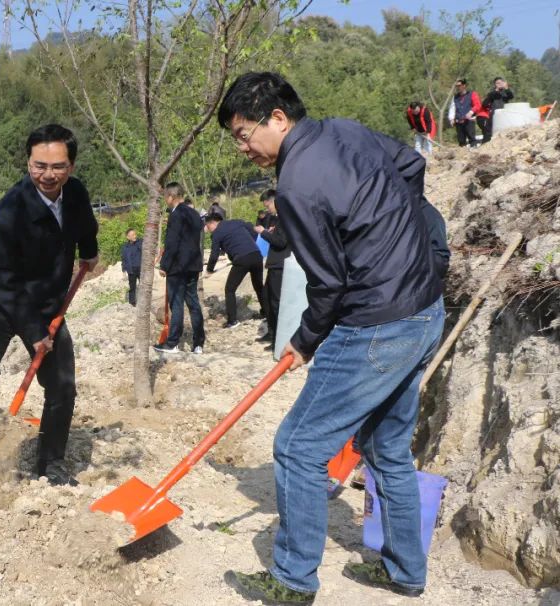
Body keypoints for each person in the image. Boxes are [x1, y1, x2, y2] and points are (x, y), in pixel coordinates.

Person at [217, 72, 445, 604]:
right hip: (424, 310)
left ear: (278, 118)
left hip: (374, 325)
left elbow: (328, 283)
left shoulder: (295, 183)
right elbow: (412, 164)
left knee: (297, 447)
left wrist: (304, 340)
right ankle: (405, 572)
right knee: (386, 446)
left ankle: (293, 582)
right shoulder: (347, 131)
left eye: (244, 133)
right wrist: (404, 237)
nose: (243, 147)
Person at [0, 124, 98, 486]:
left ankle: (51, 462)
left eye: (58, 166)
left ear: (70, 166)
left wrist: (90, 252)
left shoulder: (76, 194)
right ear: (28, 163)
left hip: (48, 301)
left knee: (63, 385)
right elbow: (2, 276)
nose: (48, 175)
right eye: (40, 166)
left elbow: (86, 226)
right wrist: (35, 332)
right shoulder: (10, 210)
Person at [154, 182, 205, 355]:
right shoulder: (194, 214)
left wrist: (164, 265)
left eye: (165, 197)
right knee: (194, 304)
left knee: (176, 304)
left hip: (178, 267)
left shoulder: (176, 215)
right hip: (193, 265)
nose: (165, 201)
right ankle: (198, 343)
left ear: (170, 197)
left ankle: (173, 343)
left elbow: (172, 243)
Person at [205, 214, 265, 328]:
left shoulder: (217, 233)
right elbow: (253, 231)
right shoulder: (237, 222)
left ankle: (232, 321)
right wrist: (248, 245)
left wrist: (209, 270)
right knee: (259, 286)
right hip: (256, 255)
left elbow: (214, 254)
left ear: (212, 223)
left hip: (242, 259)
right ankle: (266, 313)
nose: (209, 230)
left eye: (208, 227)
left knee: (230, 289)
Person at [253, 189, 289, 345]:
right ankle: (272, 334)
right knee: (267, 300)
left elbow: (281, 242)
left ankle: (279, 340)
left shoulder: (285, 219)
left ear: (275, 201)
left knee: (276, 303)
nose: (267, 209)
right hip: (274, 264)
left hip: (280, 265)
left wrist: (264, 233)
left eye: (268, 206)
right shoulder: (278, 220)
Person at [449, 79, 485, 147]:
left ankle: (473, 153)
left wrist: (471, 112)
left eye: (459, 85)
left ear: (464, 85)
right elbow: (452, 108)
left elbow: (478, 105)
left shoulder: (472, 94)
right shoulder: (455, 97)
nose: (458, 87)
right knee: (461, 141)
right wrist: (451, 118)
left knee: (472, 139)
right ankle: (462, 155)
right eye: (456, 86)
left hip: (469, 121)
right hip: (458, 121)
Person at [480, 77, 513, 144]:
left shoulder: (505, 91)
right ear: (495, 84)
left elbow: (511, 96)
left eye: (500, 83)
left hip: (504, 114)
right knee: (489, 132)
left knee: (504, 131)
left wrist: (506, 87)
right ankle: (485, 144)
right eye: (497, 83)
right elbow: (485, 103)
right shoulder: (492, 92)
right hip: (493, 114)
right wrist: (496, 90)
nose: (499, 84)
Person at [120, 228, 143, 306]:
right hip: (131, 270)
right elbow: (123, 259)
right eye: (132, 235)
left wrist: (137, 243)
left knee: (143, 287)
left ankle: (143, 303)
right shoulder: (125, 247)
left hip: (141, 269)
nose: (134, 236)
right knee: (132, 287)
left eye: (135, 234)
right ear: (128, 237)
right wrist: (123, 271)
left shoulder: (140, 242)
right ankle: (132, 303)